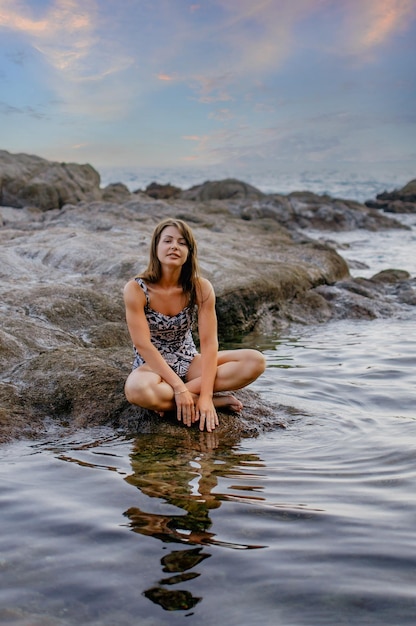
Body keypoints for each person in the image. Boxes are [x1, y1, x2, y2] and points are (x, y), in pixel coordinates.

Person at [124, 217, 265, 432]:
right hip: (152, 366)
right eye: (168, 241)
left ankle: (174, 401)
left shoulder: (200, 287)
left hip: (189, 361)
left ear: (189, 251)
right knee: (136, 391)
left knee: (255, 361)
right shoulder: (136, 289)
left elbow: (209, 344)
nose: (174, 247)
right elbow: (143, 345)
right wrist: (179, 389)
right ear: (156, 247)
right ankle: (216, 401)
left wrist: (206, 396)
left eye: (182, 243)